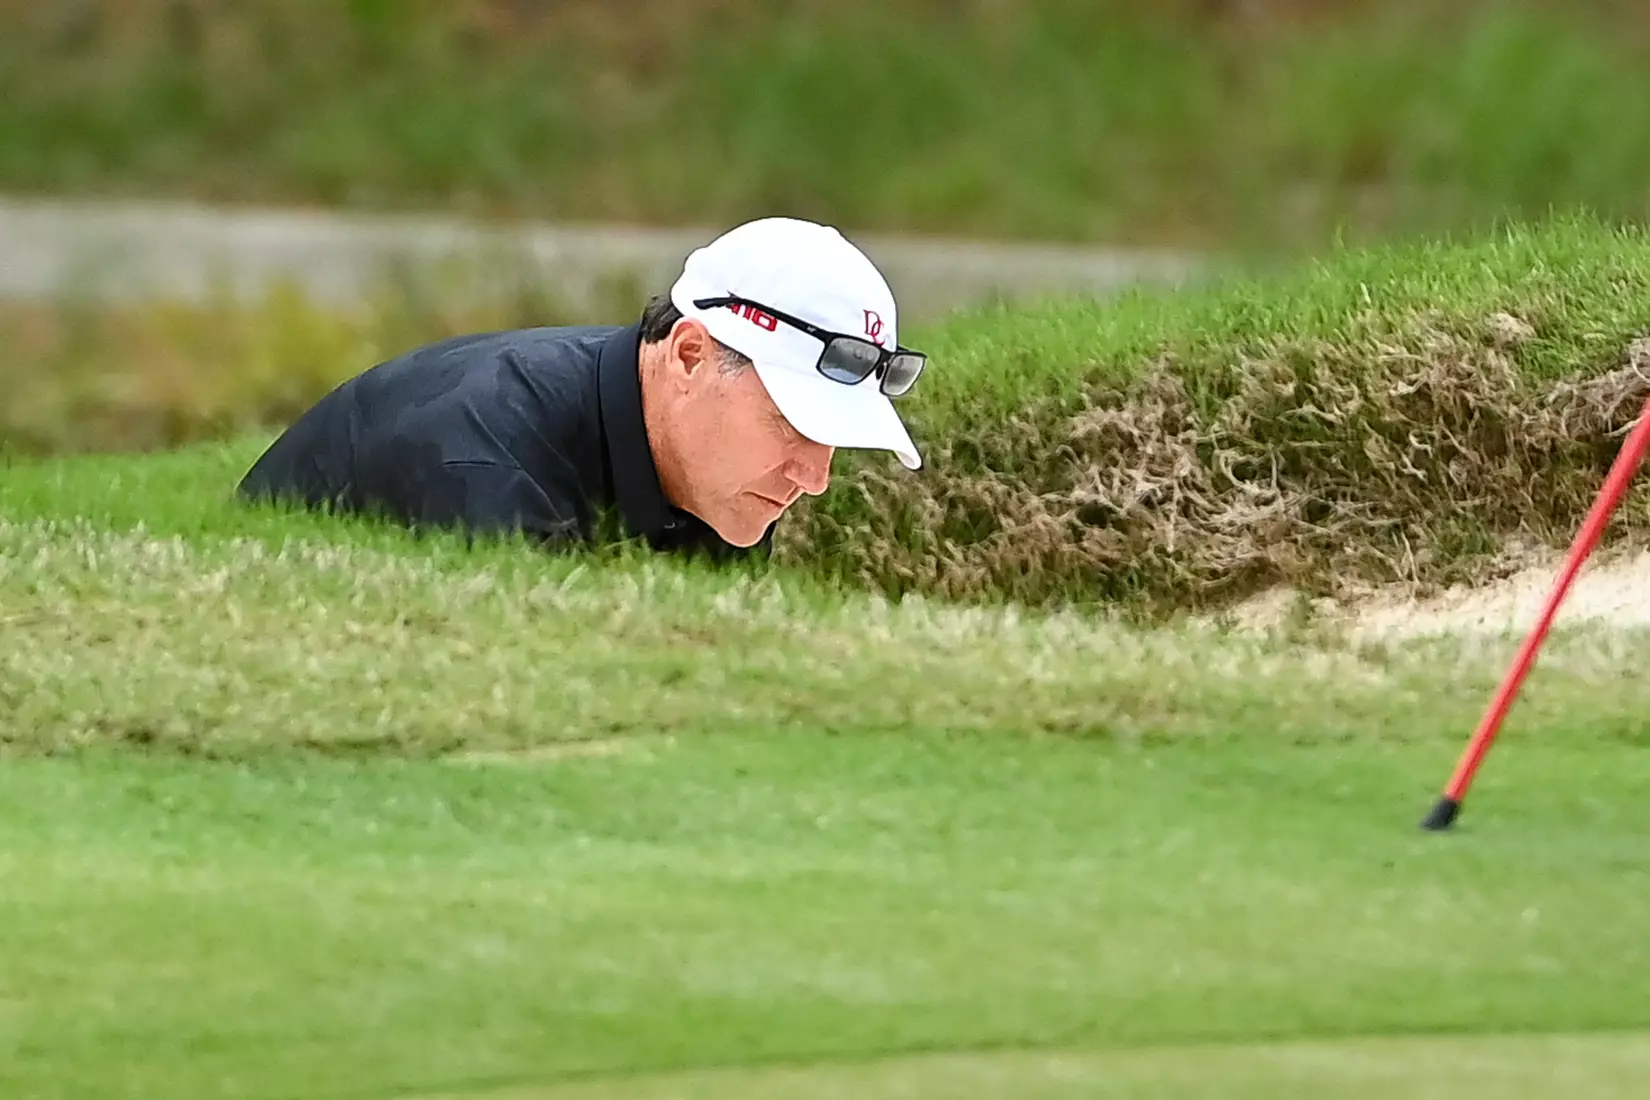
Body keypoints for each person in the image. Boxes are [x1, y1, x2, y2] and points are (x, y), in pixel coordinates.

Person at [235, 216, 928, 560]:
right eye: (792, 425)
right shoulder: (486, 475)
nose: (813, 478)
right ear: (689, 355)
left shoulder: (710, 475)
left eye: (832, 439)